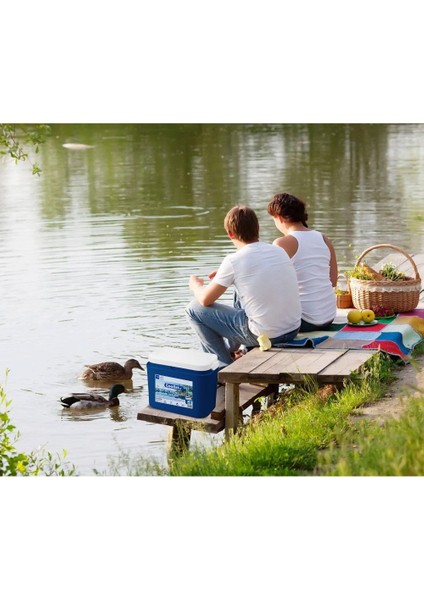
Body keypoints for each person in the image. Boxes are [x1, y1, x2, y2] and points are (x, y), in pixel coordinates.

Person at [185, 205, 301, 368]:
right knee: (240, 287)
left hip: (266, 335)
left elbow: (205, 300)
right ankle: (233, 350)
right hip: (292, 329)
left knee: (193, 309)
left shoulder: (233, 260)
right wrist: (225, 276)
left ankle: (222, 366)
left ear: (230, 234)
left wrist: (196, 285)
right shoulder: (279, 251)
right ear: (257, 229)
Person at [267, 192, 338, 332]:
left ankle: (245, 342)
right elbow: (333, 281)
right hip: (329, 316)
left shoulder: (281, 243)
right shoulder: (323, 238)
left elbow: (271, 286)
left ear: (279, 217)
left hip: (303, 321)